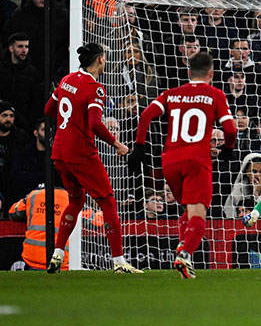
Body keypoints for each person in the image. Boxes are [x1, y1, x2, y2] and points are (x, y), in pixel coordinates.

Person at [129, 51, 238, 279]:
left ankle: (182, 252)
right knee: (199, 214)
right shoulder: (215, 94)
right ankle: (185, 254)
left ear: (189, 72)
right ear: (211, 74)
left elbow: (146, 115)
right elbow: (230, 129)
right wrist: (228, 149)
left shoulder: (172, 94)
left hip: (169, 161)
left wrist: (139, 146)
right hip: (196, 160)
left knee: (187, 211)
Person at [43, 43, 141, 274]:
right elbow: (95, 123)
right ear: (99, 59)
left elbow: (49, 110)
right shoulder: (95, 88)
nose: (106, 61)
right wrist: (117, 144)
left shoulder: (66, 80)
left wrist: (68, 128)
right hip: (81, 153)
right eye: (105, 58)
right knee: (108, 202)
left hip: (60, 152)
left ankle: (57, 253)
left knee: (76, 200)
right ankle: (119, 261)